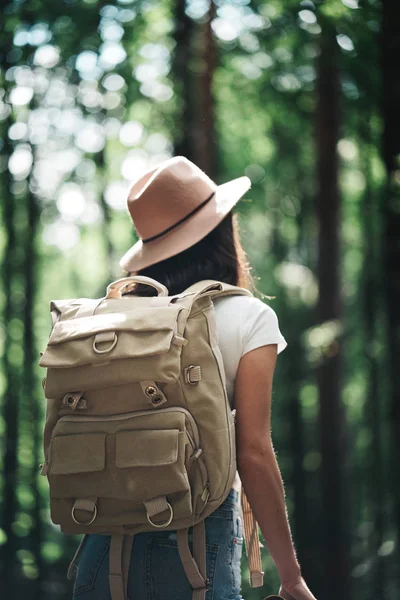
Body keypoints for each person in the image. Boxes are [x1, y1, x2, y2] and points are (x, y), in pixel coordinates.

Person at [73, 156, 317, 600]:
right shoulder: (248, 317)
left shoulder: (114, 320)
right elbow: (254, 453)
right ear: (223, 232)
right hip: (192, 549)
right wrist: (292, 577)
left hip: (98, 550)